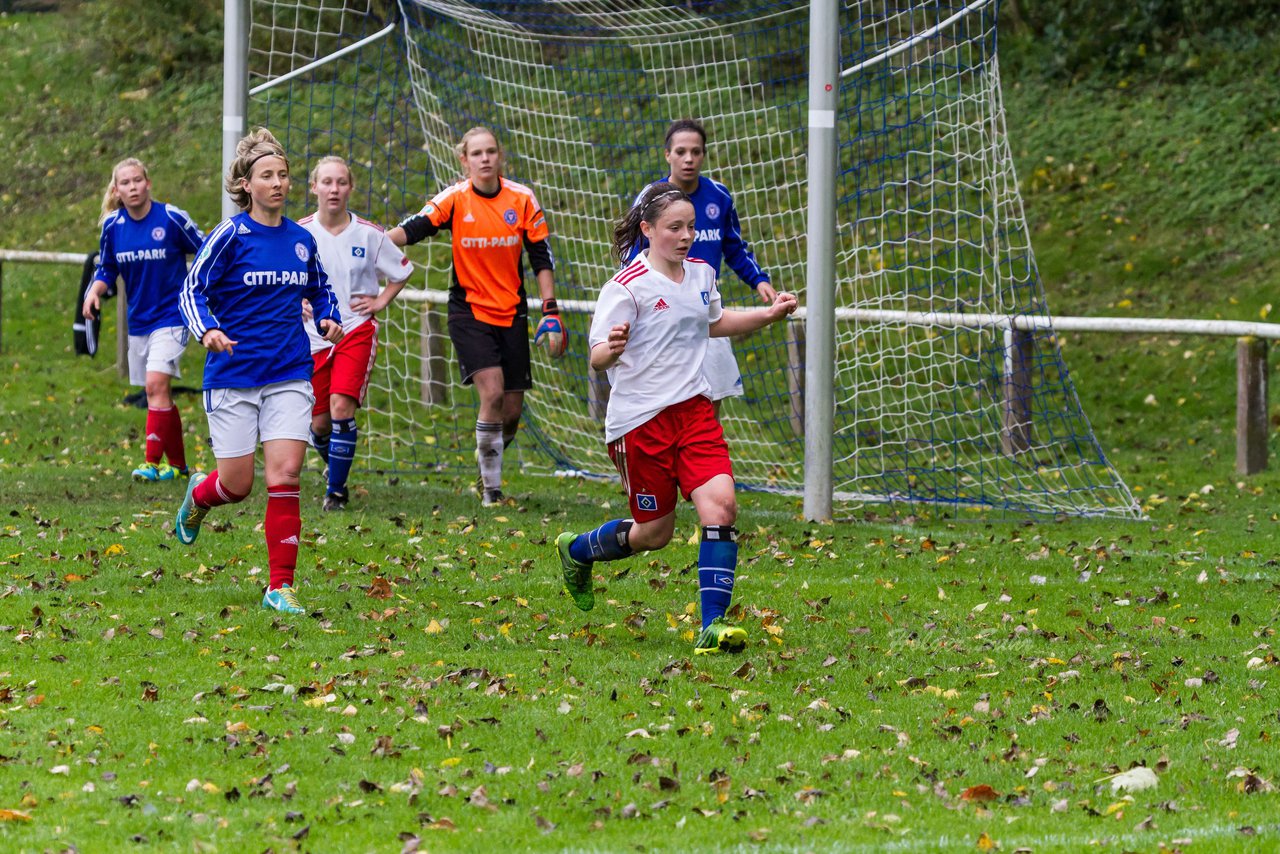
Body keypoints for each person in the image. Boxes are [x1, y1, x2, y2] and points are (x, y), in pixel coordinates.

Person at [556, 184, 797, 655]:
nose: (686, 235)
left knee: (722, 506)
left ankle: (713, 625)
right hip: (640, 423)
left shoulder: (702, 274)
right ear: (647, 230)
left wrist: (767, 316)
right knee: (655, 534)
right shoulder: (626, 287)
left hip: (694, 411)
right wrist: (613, 348)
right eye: (675, 228)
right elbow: (597, 357)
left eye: (691, 227)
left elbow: (713, 322)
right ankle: (577, 550)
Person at [175, 128, 344, 615]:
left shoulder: (301, 239)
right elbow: (192, 290)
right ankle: (199, 498)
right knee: (237, 484)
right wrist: (207, 330)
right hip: (233, 374)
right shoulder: (230, 235)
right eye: (266, 175)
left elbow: (320, 289)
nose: (277, 183)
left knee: (286, 473)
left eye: (283, 175)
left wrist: (328, 315)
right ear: (247, 184)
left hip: (290, 371)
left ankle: (280, 586)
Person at [388, 126, 564, 506]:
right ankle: (492, 490)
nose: (485, 159)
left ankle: (488, 456)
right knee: (493, 392)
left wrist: (551, 309)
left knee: (512, 412)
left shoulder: (522, 198)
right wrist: (368, 242)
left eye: (491, 152)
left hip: (512, 312)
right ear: (463, 160)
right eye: (477, 153)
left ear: (500, 157)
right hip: (468, 312)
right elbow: (413, 229)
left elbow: (540, 258)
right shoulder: (455, 199)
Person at [624, 118, 777, 410]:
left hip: (704, 309)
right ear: (667, 154)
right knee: (662, 405)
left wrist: (759, 279)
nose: (688, 159)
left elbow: (734, 247)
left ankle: (704, 455)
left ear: (704, 154)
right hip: (660, 314)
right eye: (681, 151)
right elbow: (630, 255)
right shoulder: (651, 197)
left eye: (696, 151)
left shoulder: (718, 197)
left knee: (710, 403)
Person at [299, 156, 413, 511]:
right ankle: (336, 468)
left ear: (350, 187)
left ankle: (335, 491)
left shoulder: (368, 233)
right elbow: (284, 276)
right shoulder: (299, 233)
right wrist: (297, 299)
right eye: (327, 182)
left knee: (340, 408)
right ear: (313, 187)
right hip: (313, 335)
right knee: (318, 424)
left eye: (342, 182)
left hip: (355, 330)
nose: (334, 189)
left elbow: (403, 271)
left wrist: (379, 302)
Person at [82, 158, 205, 482]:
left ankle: (151, 463)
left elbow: (207, 251)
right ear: (117, 190)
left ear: (148, 183)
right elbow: (107, 267)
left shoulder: (171, 218)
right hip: (139, 322)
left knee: (155, 385)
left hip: (173, 316)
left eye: (138, 180)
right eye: (125, 183)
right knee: (157, 393)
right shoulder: (113, 226)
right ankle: (178, 467)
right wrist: (94, 291)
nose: (132, 187)